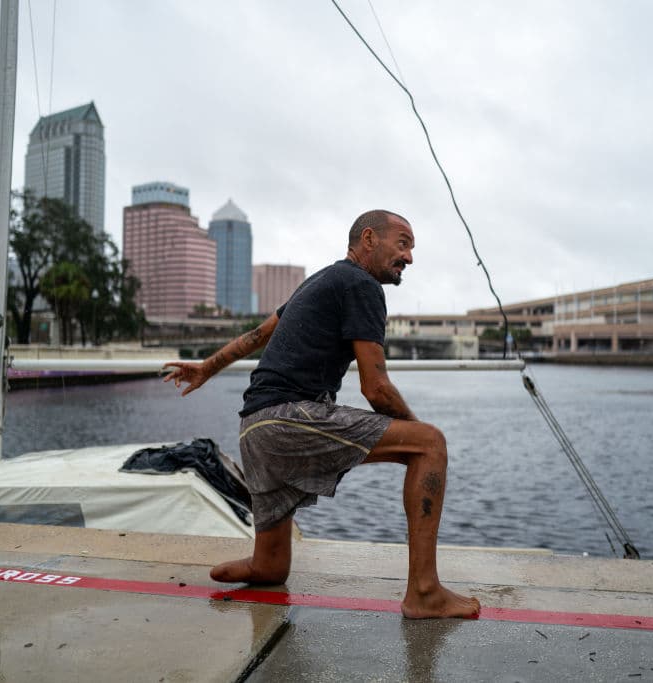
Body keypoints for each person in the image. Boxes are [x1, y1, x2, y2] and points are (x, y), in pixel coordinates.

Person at [162, 209, 481, 619]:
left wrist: (208, 368)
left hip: (253, 429)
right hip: (286, 420)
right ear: (369, 239)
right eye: (403, 244)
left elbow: (259, 335)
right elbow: (376, 388)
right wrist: (421, 440)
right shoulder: (361, 284)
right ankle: (423, 591)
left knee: (273, 568)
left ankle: (260, 562)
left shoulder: (320, 280)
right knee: (431, 444)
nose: (410, 258)